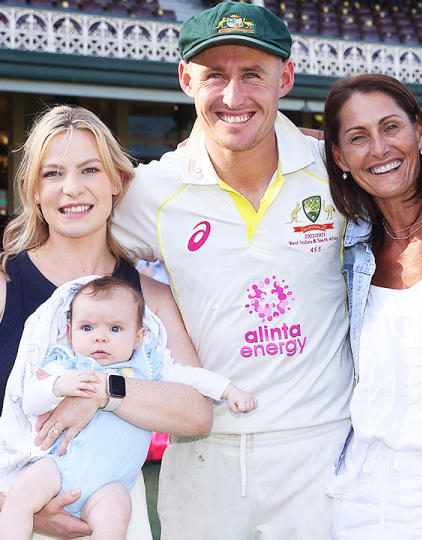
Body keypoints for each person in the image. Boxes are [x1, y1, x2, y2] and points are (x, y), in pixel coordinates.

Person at [109, 2, 353, 537]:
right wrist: (148, 296)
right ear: (185, 78)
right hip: (204, 454)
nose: (234, 96)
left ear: (285, 77)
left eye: (252, 75)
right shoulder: (153, 190)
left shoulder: (336, 172)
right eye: (215, 75)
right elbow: (73, 262)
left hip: (322, 448)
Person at [0, 105, 212, 540]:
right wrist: (16, 505)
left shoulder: (147, 298)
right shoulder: (5, 287)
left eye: (90, 170)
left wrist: (104, 392)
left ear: (117, 181)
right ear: (33, 190)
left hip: (114, 514)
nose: (71, 189)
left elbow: (197, 411)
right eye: (53, 173)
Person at [321, 74, 422, 538]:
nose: (379, 149)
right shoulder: (348, 248)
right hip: (362, 497)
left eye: (391, 127)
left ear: (420, 133)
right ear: (340, 158)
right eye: (357, 138)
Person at [0, 277, 256, 540]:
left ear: (138, 337)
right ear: (69, 332)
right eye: (87, 327)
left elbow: (194, 378)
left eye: (115, 329)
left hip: (109, 485)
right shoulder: (67, 364)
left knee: (115, 518)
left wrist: (228, 390)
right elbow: (30, 400)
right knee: (20, 497)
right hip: (60, 467)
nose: (99, 336)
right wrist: (57, 385)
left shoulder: (149, 368)